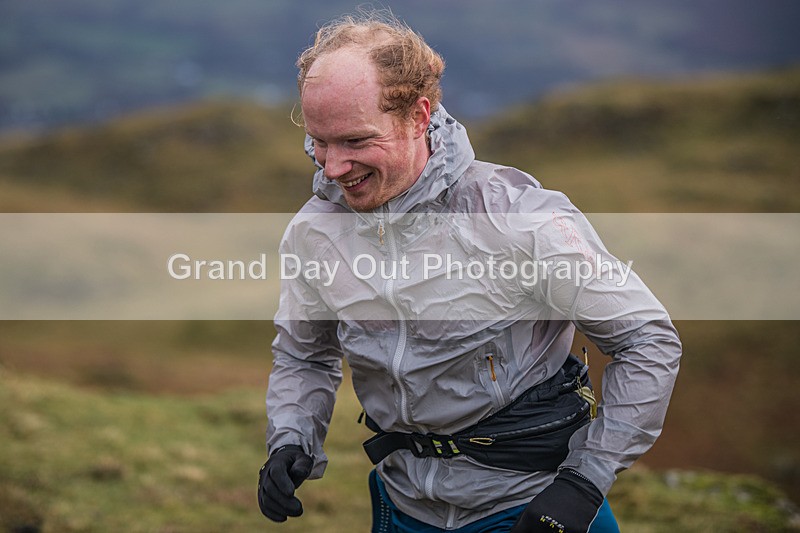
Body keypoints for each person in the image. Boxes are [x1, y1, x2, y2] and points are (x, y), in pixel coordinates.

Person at [258, 13, 681, 533]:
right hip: (402, 505)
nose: (332, 168)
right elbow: (304, 353)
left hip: (530, 506)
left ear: (418, 116)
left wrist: (584, 482)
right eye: (320, 142)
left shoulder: (516, 217)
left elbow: (648, 340)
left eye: (356, 141)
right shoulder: (315, 231)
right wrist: (291, 438)